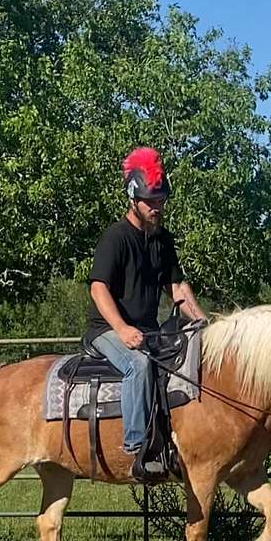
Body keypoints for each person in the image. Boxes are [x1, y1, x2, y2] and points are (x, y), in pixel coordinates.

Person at [85, 147, 206, 475]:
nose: (157, 207)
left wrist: (203, 323)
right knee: (138, 365)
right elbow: (99, 288)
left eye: (161, 200)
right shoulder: (115, 238)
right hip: (106, 331)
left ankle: (173, 441)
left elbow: (177, 288)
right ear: (133, 199)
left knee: (184, 361)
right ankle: (137, 449)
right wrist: (122, 329)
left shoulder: (162, 240)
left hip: (148, 330)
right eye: (150, 201)